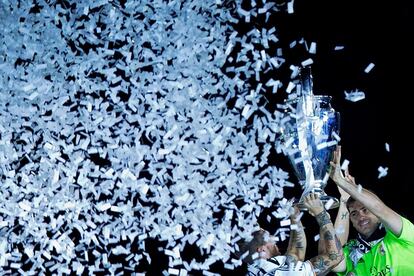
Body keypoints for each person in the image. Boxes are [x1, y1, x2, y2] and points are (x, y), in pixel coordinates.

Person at [328, 146, 414, 275]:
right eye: (354, 214)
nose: (360, 216)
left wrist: (343, 183)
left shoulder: (400, 234)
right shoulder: (352, 253)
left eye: (365, 209)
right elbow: (334, 259)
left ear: (377, 215)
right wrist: (344, 200)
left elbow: (379, 208)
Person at [236, 193, 343, 275]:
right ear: (262, 250)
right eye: (268, 237)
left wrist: (294, 214)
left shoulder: (259, 269)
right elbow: (334, 257)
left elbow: (295, 254)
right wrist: (320, 213)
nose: (274, 239)